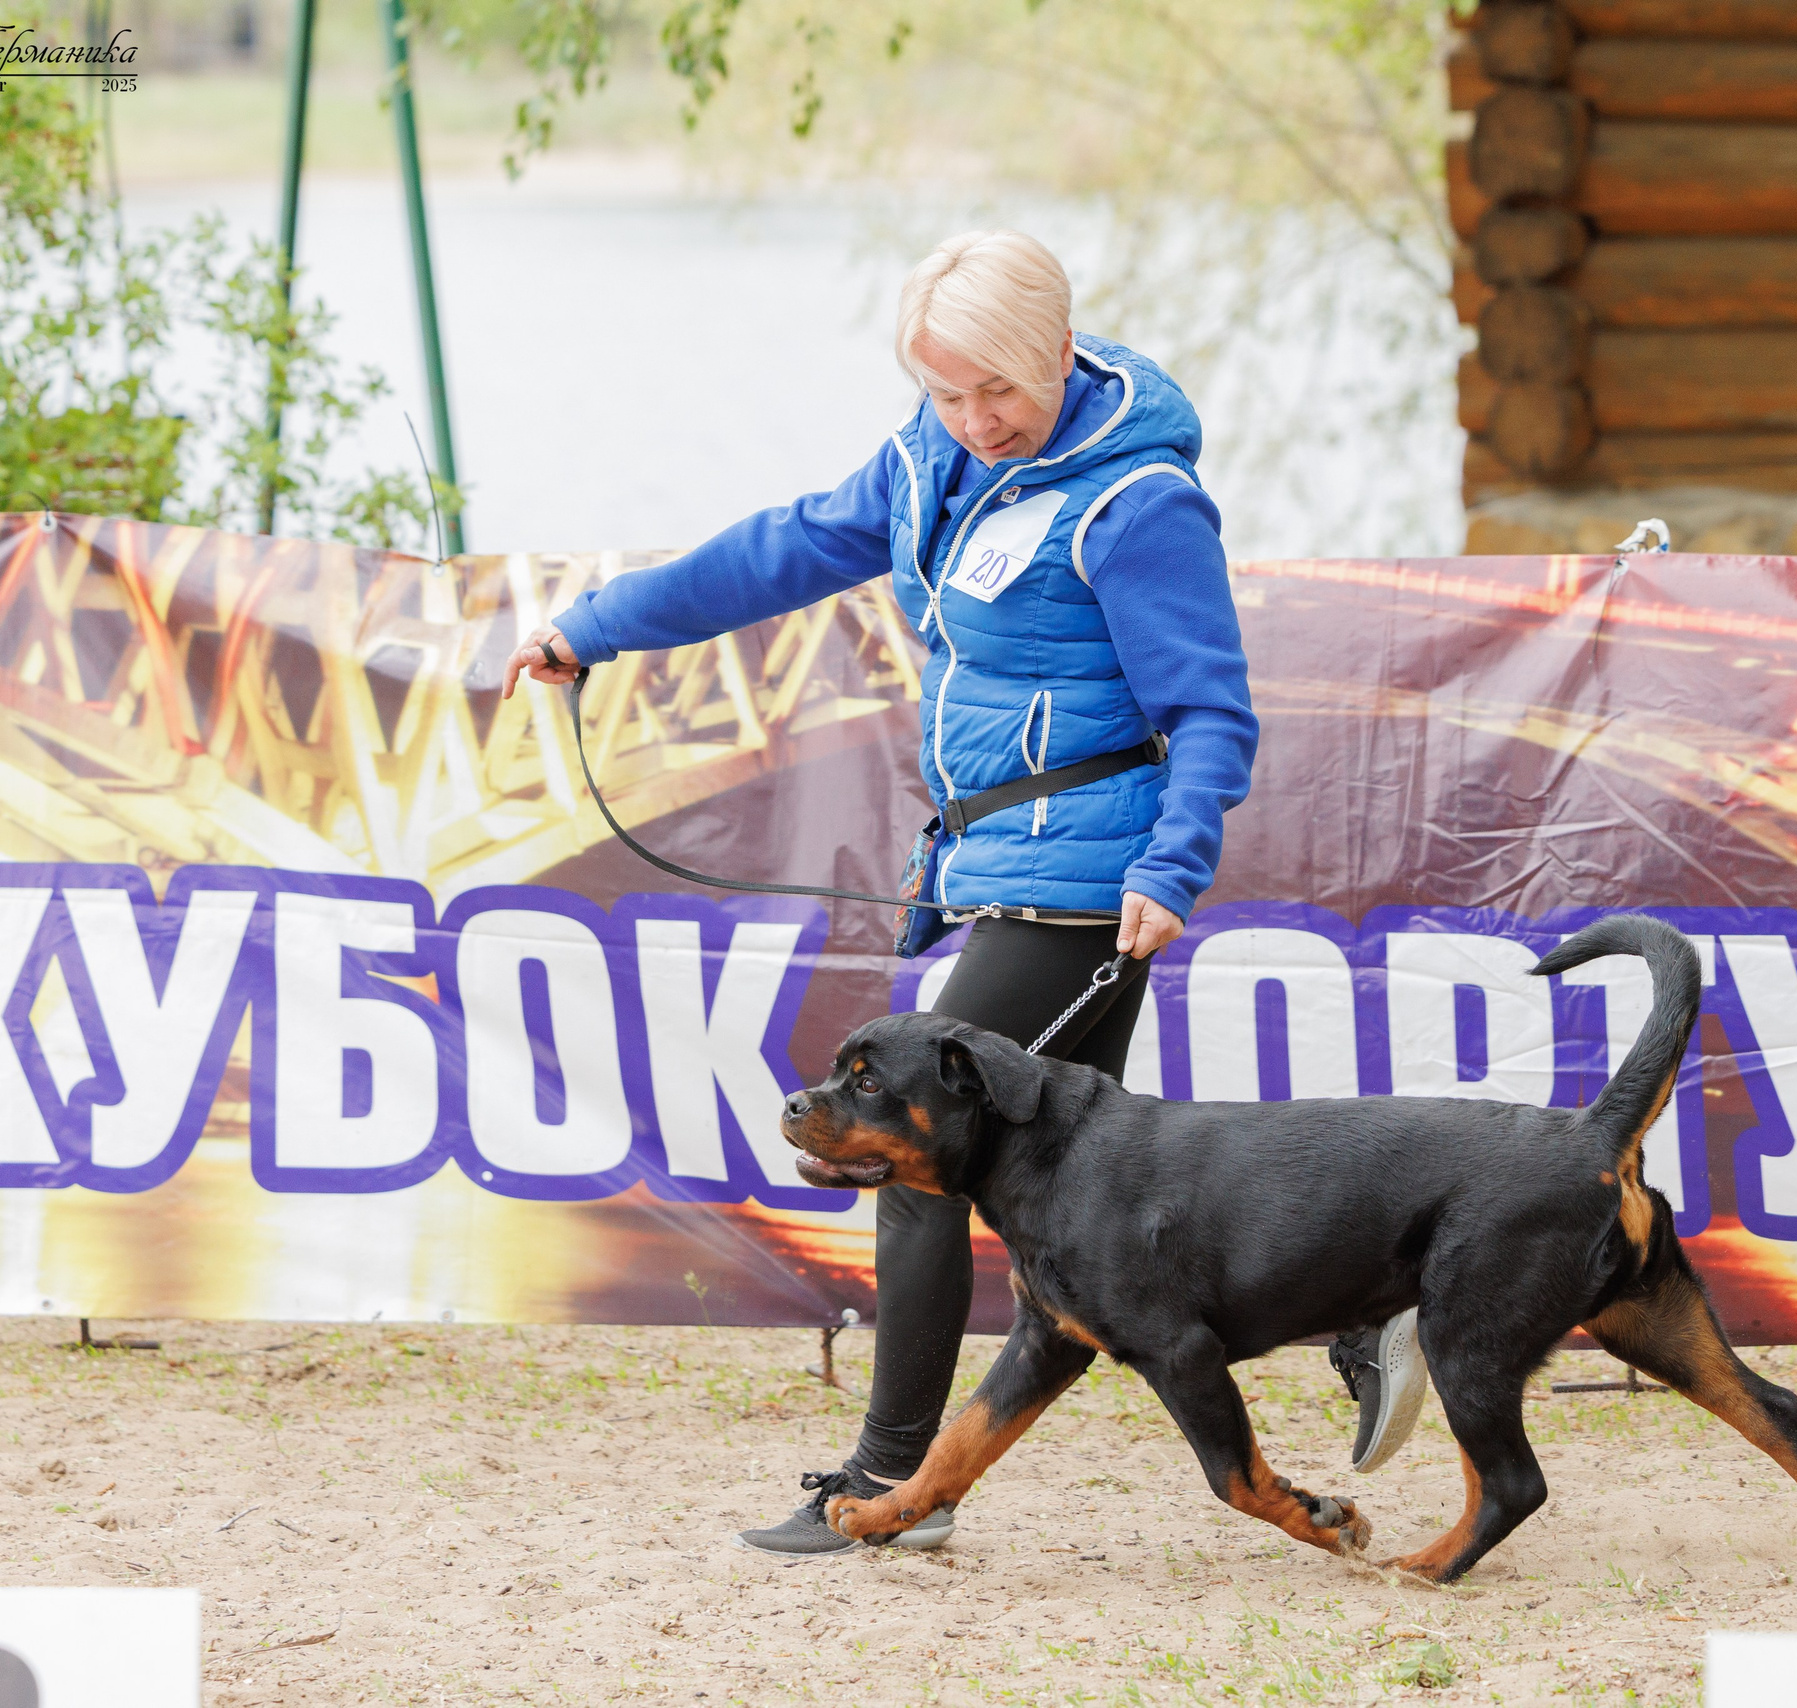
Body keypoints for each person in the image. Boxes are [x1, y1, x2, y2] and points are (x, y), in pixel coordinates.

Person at [501, 230, 1423, 1556]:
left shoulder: (1137, 500)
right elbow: (775, 552)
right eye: (946, 392)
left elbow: (1212, 713)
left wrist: (1172, 862)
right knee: (1097, 1209)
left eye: (1001, 389)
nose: (977, 420)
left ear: (1062, 348)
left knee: (913, 1158)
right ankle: (1377, 1291)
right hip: (1000, 870)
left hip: (1084, 890)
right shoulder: (925, 462)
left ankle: (885, 1487)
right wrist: (597, 625)